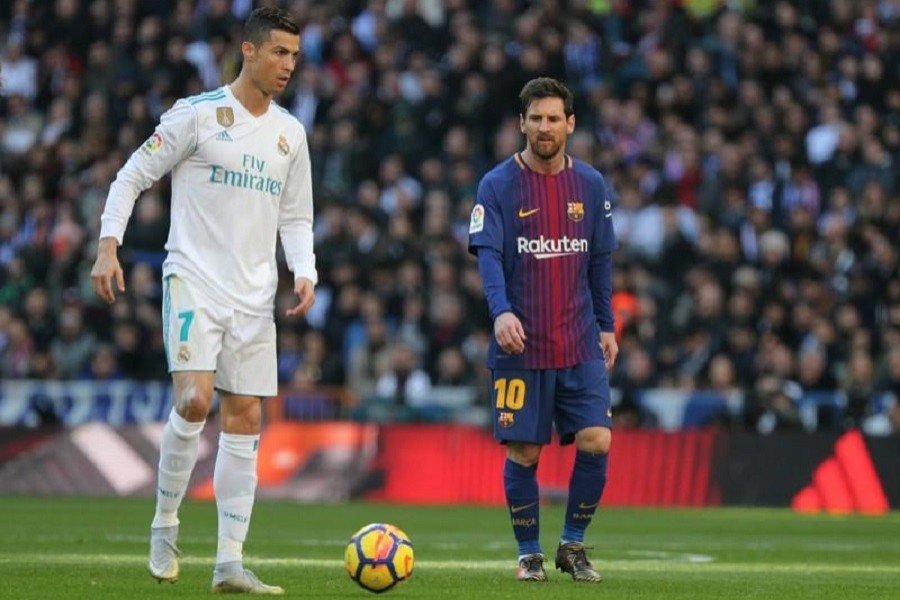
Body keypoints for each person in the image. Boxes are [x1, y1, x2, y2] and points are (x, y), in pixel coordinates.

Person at [90, 7, 316, 595]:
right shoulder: (196, 115)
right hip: (193, 279)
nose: (289, 65)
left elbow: (296, 215)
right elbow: (131, 175)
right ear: (249, 50)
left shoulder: (291, 133)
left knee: (245, 418)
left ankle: (229, 564)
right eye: (279, 52)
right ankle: (164, 526)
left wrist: (305, 270)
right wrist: (108, 245)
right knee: (193, 401)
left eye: (295, 56)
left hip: (254, 296)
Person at [468, 77, 618, 583]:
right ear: (522, 124)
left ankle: (572, 545)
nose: (544, 127)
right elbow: (488, 255)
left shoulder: (590, 185)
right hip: (521, 345)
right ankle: (529, 553)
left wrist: (606, 324)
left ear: (570, 124)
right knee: (525, 451)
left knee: (597, 439)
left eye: (554, 118)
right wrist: (501, 312)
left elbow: (599, 261)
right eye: (536, 118)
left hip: (579, 341)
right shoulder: (496, 185)